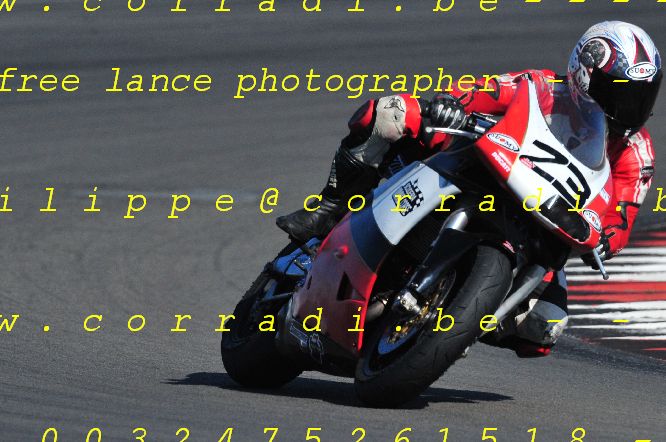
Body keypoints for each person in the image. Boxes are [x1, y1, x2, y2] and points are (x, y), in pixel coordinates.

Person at [275, 21, 662, 357]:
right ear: (583, 74)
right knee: (391, 114)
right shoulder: (541, 86)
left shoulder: (637, 152)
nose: (629, 108)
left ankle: (457, 319)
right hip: (487, 166)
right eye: (620, 93)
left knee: (544, 327)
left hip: (545, 219)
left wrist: (604, 239)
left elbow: (621, 218)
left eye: (642, 96)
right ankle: (330, 206)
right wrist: (452, 104)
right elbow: (485, 90)